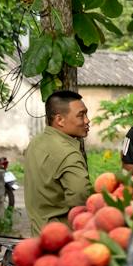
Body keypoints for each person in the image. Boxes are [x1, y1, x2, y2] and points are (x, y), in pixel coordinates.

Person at [24, 88, 93, 229]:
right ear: (60, 120)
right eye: (81, 115)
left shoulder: (36, 142)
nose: (87, 120)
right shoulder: (68, 154)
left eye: (86, 114)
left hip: (39, 231)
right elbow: (81, 198)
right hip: (62, 238)